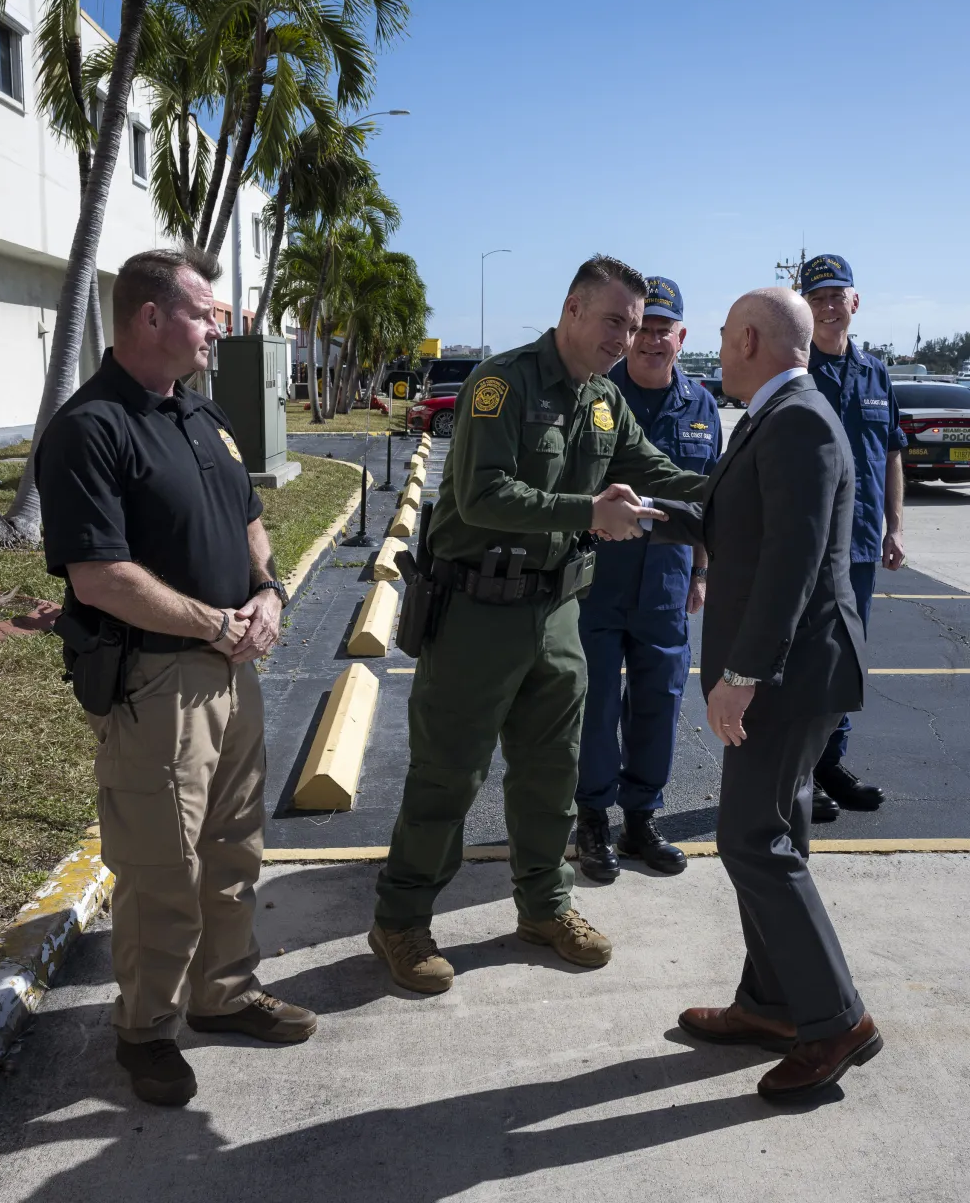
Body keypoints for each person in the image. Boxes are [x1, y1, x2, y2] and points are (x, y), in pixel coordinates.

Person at [369, 255, 709, 996]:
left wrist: (735, 491)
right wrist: (590, 513)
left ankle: (544, 908)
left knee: (552, 774)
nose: (626, 336)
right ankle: (400, 920)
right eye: (615, 320)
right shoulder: (503, 383)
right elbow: (484, 493)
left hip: (557, 614)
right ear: (572, 310)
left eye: (638, 324)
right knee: (449, 775)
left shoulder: (601, 401)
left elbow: (654, 470)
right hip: (475, 616)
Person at [36, 248, 315, 1108]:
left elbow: (250, 518)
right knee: (161, 870)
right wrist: (216, 623)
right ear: (151, 318)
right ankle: (146, 1032)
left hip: (233, 674)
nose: (218, 327)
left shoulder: (201, 415)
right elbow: (98, 576)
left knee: (234, 850)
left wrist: (265, 592)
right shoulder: (91, 428)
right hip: (158, 685)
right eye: (205, 312)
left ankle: (224, 994)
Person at [644, 287, 881, 1102]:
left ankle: (836, 1021)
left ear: (749, 338)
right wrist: (644, 514)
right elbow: (730, 519)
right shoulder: (779, 418)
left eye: (721, 335)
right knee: (775, 833)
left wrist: (742, 678)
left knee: (752, 841)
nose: (716, 347)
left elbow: (793, 562)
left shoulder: (803, 420)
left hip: (788, 675)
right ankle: (773, 1003)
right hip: (793, 670)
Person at [575, 277, 722, 882]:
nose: (653, 339)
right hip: (599, 580)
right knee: (596, 701)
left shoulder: (703, 406)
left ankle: (640, 819)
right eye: (645, 327)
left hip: (667, 581)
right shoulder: (597, 397)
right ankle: (590, 820)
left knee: (659, 703)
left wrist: (703, 573)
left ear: (681, 336)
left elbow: (709, 498)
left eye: (666, 328)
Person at [800, 254, 906, 822]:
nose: (828, 306)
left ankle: (829, 765)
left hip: (861, 543)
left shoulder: (875, 372)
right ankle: (798, 769)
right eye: (817, 298)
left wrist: (895, 527)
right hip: (808, 543)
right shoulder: (795, 369)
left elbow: (891, 452)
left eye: (837, 295)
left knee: (848, 659)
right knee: (803, 657)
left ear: (855, 302)